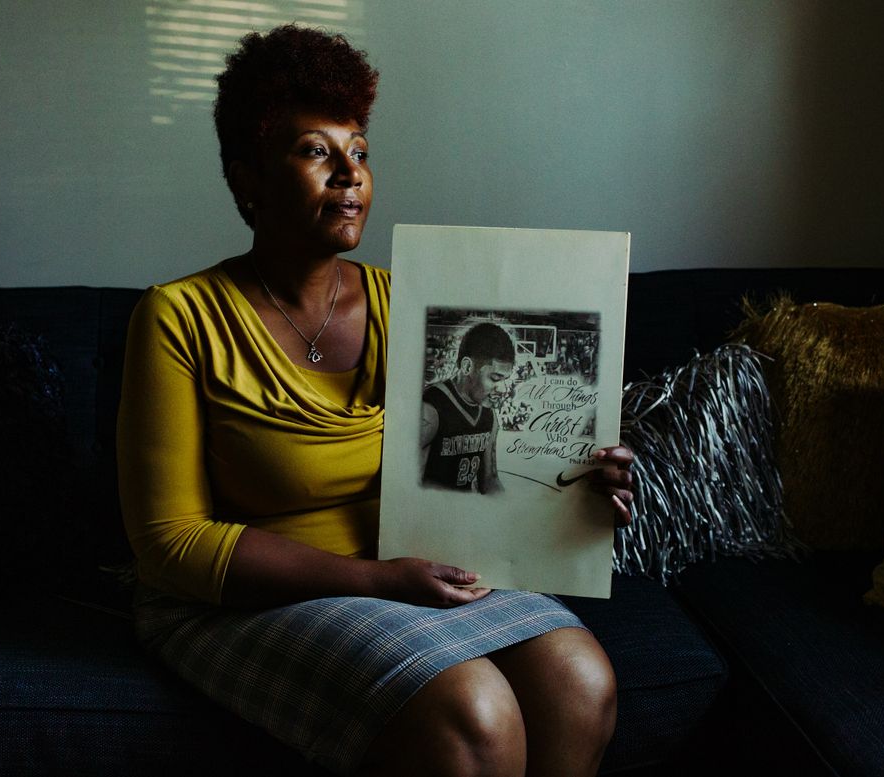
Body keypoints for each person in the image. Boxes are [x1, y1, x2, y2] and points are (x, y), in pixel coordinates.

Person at [117, 24, 635, 777]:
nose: (348, 175)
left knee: (582, 681)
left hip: (404, 573)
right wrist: (378, 580)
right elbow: (170, 545)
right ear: (247, 178)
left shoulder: (417, 303)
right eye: (314, 151)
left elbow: (484, 460)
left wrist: (576, 482)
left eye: (358, 150)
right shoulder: (178, 317)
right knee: (475, 713)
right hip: (241, 599)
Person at [420, 322, 515, 493]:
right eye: (495, 378)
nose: (503, 389)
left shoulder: (488, 414)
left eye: (505, 379)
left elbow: (490, 481)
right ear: (467, 367)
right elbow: (407, 485)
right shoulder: (430, 410)